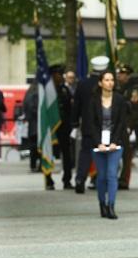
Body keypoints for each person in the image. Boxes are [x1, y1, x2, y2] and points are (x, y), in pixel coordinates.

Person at [89, 70, 127, 219]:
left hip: (114, 144)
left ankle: (111, 205)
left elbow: (121, 123)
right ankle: (102, 204)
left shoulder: (119, 99)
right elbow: (90, 124)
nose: (110, 82)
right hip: (98, 145)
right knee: (102, 177)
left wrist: (114, 142)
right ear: (100, 83)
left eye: (112, 80)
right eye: (106, 80)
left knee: (112, 175)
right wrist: (98, 142)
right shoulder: (93, 100)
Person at [72, 56, 110, 193]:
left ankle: (80, 179)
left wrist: (75, 123)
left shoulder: (83, 84)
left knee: (86, 153)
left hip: (88, 125)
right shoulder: (109, 83)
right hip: (105, 124)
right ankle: (102, 181)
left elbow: (76, 105)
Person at [49, 65, 74, 188]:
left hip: (64, 126)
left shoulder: (64, 89)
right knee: (49, 152)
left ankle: (67, 180)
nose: (61, 77)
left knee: (67, 153)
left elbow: (70, 108)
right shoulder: (47, 90)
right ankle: (48, 179)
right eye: (59, 74)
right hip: (51, 126)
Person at [115, 64, 137, 190]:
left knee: (126, 155)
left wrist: (130, 126)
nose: (120, 76)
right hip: (114, 124)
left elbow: (133, 109)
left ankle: (124, 180)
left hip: (125, 124)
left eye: (123, 74)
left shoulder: (132, 89)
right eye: (119, 73)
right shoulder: (115, 88)